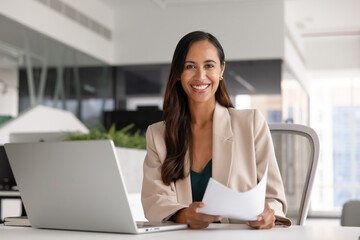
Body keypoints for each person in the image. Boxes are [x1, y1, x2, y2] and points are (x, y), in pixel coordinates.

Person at [141, 31, 291, 229]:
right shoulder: (158, 135)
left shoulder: (251, 123)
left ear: (221, 70)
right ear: (178, 73)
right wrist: (185, 215)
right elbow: (154, 201)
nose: (200, 76)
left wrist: (268, 215)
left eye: (209, 65)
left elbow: (275, 199)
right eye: (190, 66)